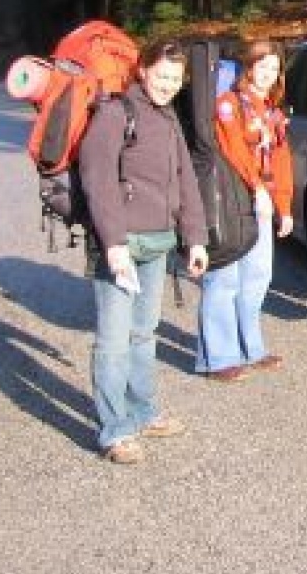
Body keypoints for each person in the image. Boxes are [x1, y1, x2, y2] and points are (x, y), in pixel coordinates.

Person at [77, 39, 209, 465]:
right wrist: (113, 245)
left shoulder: (168, 117)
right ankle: (115, 431)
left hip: (157, 244)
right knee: (113, 342)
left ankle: (143, 411)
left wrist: (196, 238)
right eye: (162, 75)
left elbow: (184, 181)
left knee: (142, 334)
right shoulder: (116, 114)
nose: (169, 84)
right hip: (122, 246)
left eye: (176, 78)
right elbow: (97, 182)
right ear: (143, 71)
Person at [195, 39, 294, 382]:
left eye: (273, 68)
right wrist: (257, 188)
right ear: (248, 67)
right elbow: (234, 150)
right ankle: (218, 358)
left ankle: (251, 348)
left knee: (257, 276)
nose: (267, 74)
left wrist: (284, 205)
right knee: (224, 278)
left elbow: (281, 160)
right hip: (231, 200)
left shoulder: (271, 111)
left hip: (262, 202)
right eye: (262, 66)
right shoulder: (227, 105)